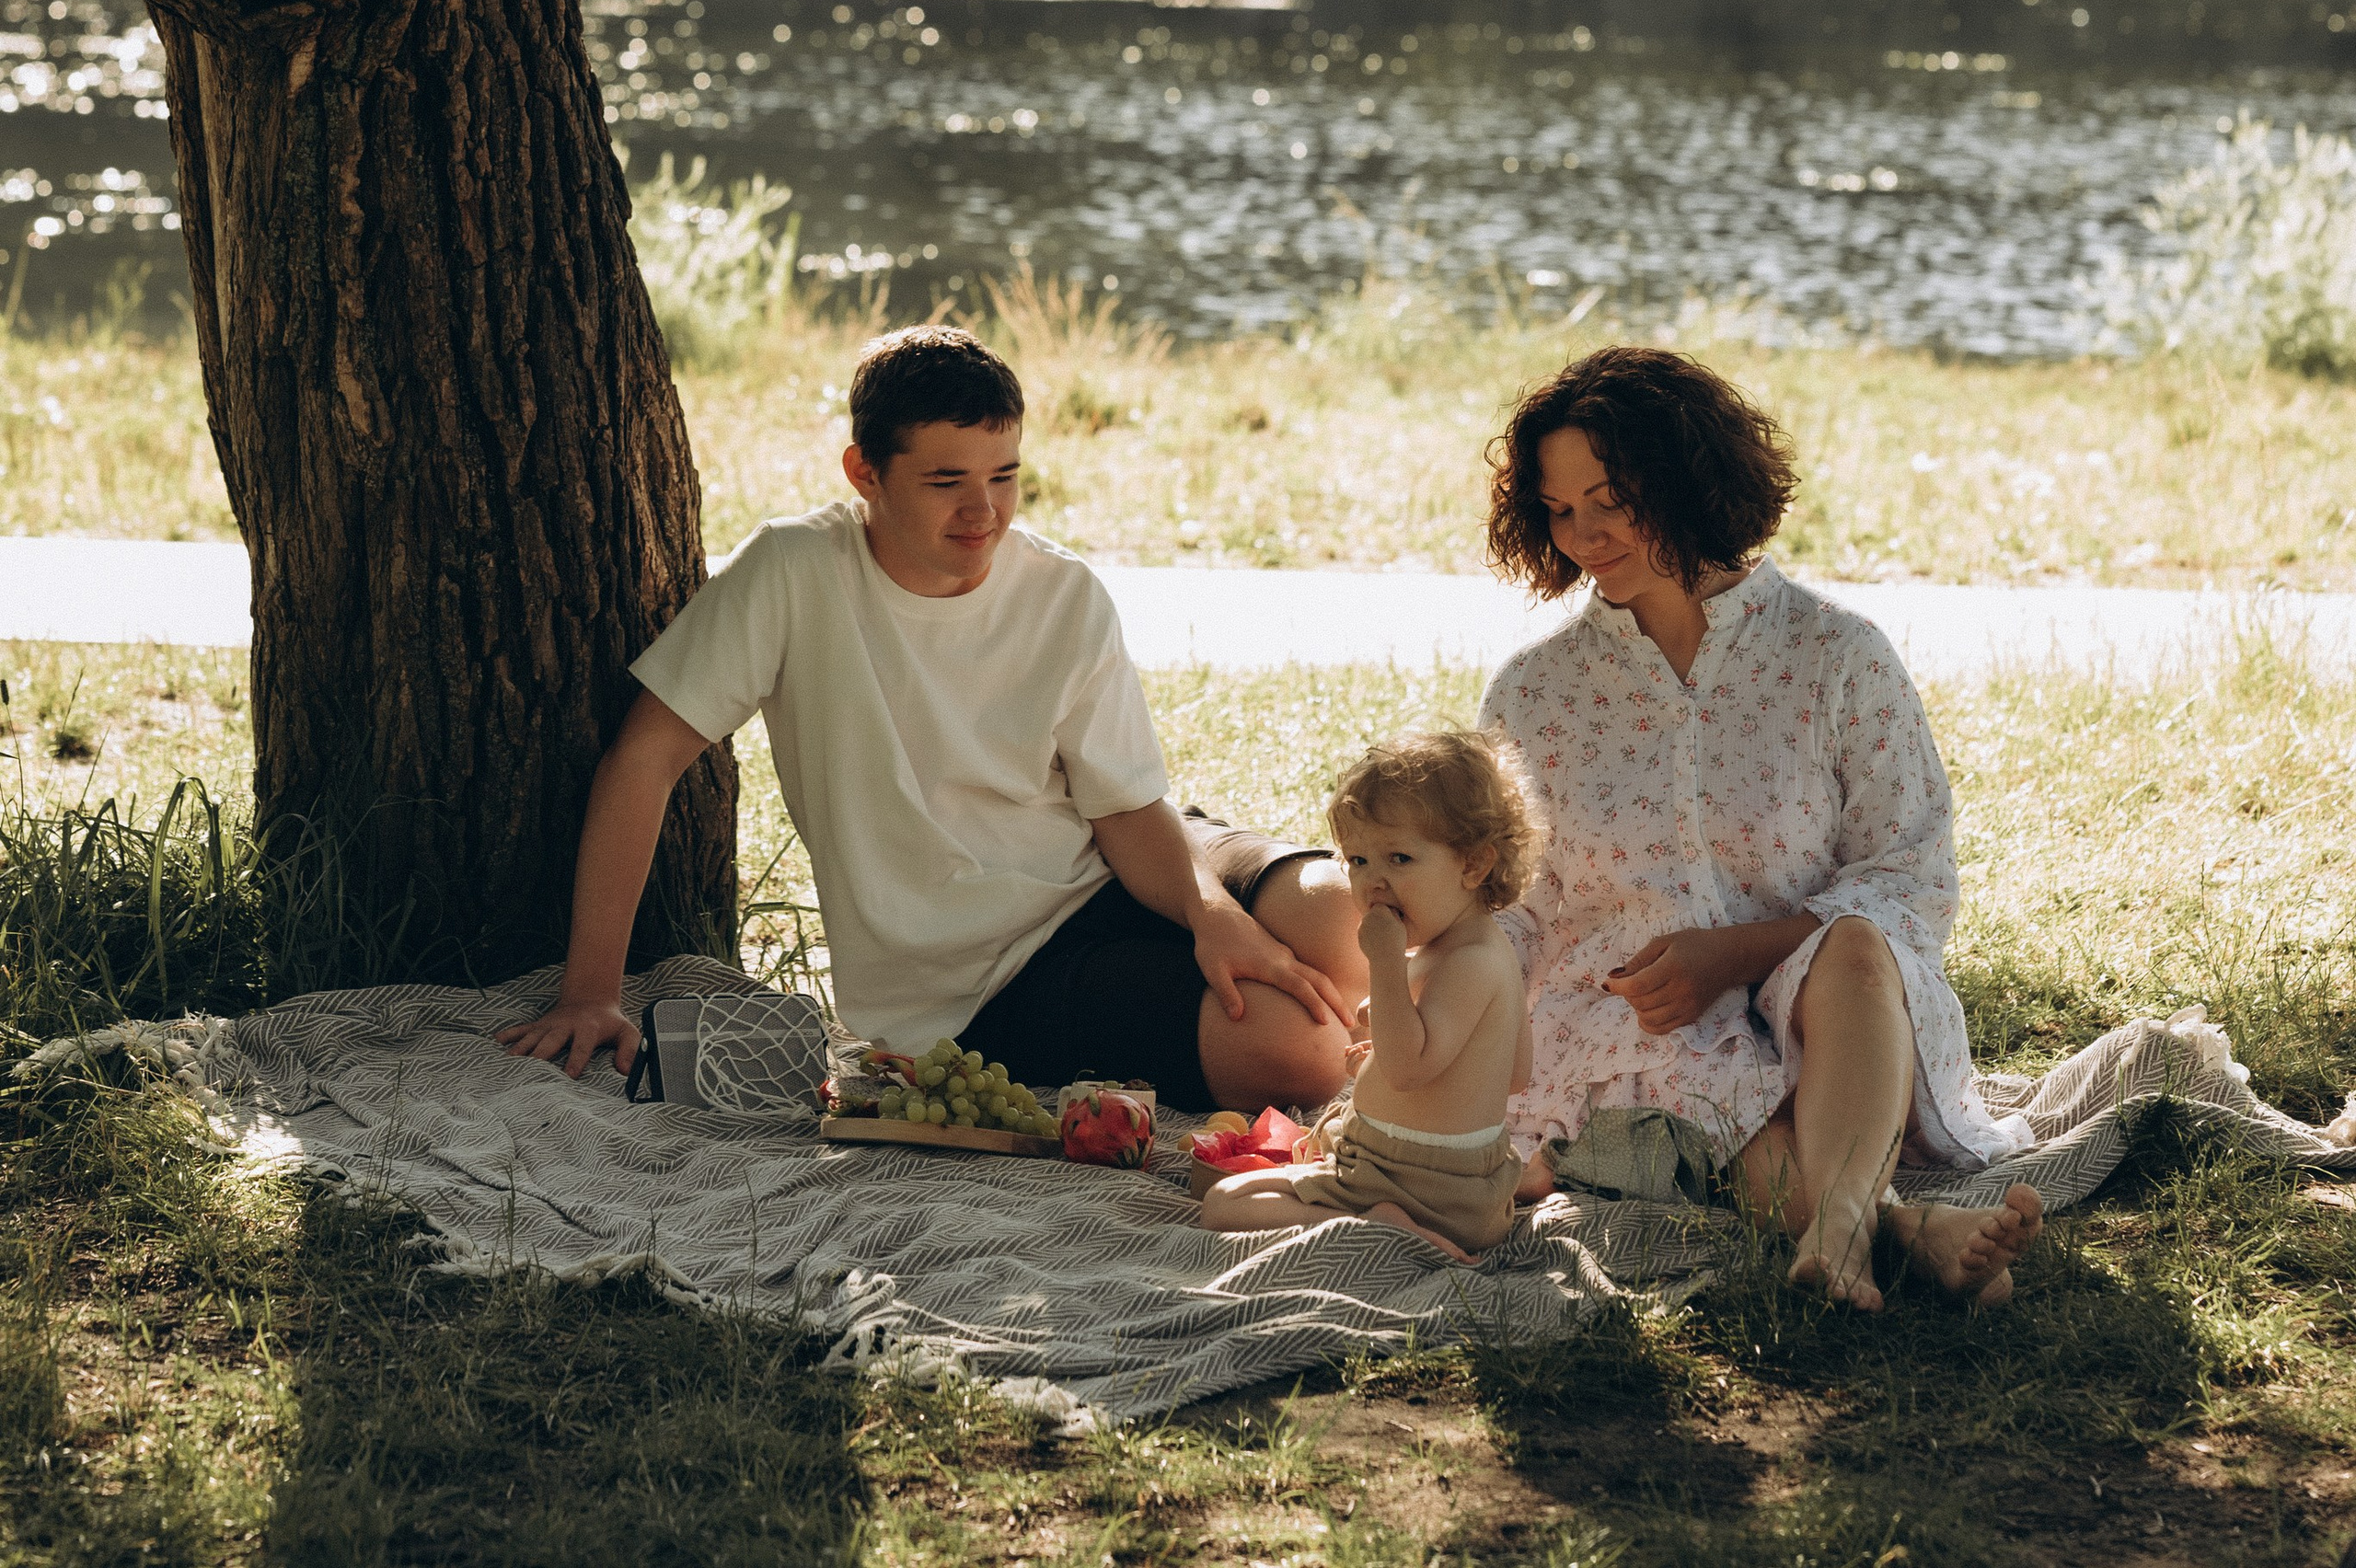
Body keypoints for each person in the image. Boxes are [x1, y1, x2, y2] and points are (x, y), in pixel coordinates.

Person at [500, 323, 1364, 1112]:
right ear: (864, 472)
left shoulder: (1063, 593)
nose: (983, 511)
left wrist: (1214, 916)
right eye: (947, 481)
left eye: (1004, 476)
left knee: (1348, 917)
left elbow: (1127, 810)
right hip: (982, 984)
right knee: (1302, 1052)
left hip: (1123, 859)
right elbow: (644, 757)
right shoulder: (795, 571)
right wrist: (592, 993)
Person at [1478, 343, 2046, 1312]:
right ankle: (1888, 1228)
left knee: (1857, 942)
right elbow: (1516, 905)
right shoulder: (1533, 691)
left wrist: (1737, 953)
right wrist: (1443, 990)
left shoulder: (1838, 656)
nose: (1584, 534)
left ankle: (1854, 1229)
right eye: (1559, 508)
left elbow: (1912, 876)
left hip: (1833, 1007)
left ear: (1689, 481)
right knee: (1709, 1095)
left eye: (1612, 499)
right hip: (1634, 1027)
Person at [1197, 727, 1537, 1260]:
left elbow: (1406, 1070)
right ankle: (1383, 1213)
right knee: (1240, 1186)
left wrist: (1385, 965)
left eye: (1399, 859)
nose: (1373, 882)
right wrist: (1381, 1052)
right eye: (1358, 861)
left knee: (1223, 1203)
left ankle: (1374, 1223)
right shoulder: (1486, 951)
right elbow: (1514, 1073)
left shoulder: (1467, 963)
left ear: (1474, 865)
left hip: (1417, 1186)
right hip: (1457, 1190)